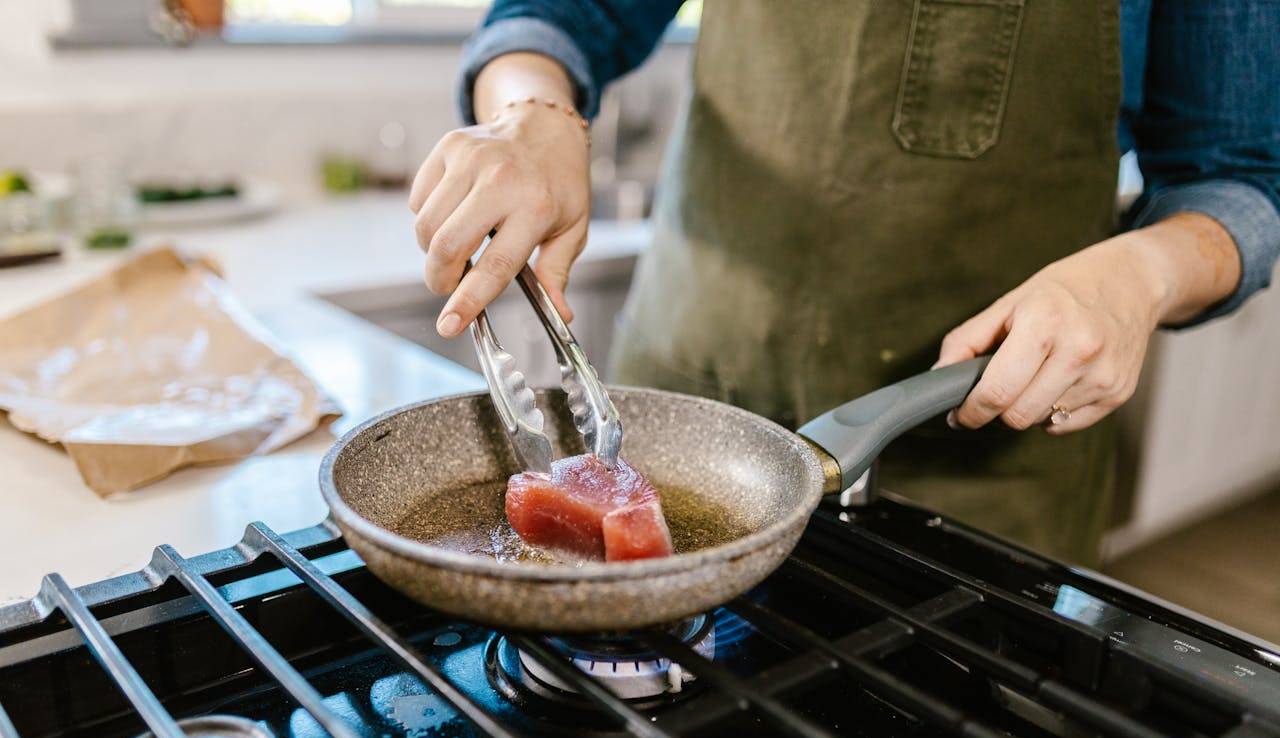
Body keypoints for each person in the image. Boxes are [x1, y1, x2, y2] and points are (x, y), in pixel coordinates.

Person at [408, 1, 1280, 565]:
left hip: (981, 477)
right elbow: (558, 18)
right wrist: (531, 113)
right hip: (687, 413)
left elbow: (1242, 179)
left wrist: (1143, 272)